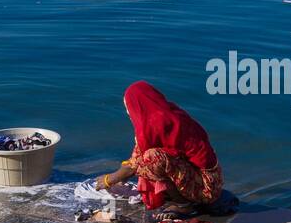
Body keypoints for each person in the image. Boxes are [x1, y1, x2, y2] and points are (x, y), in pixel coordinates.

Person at [95, 81, 222, 213]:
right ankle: (179, 195)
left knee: (153, 158)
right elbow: (138, 154)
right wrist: (122, 175)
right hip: (212, 179)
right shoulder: (168, 114)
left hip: (206, 189)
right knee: (150, 158)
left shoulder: (155, 125)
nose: (128, 112)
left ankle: (183, 205)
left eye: (128, 106)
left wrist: (109, 179)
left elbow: (140, 162)